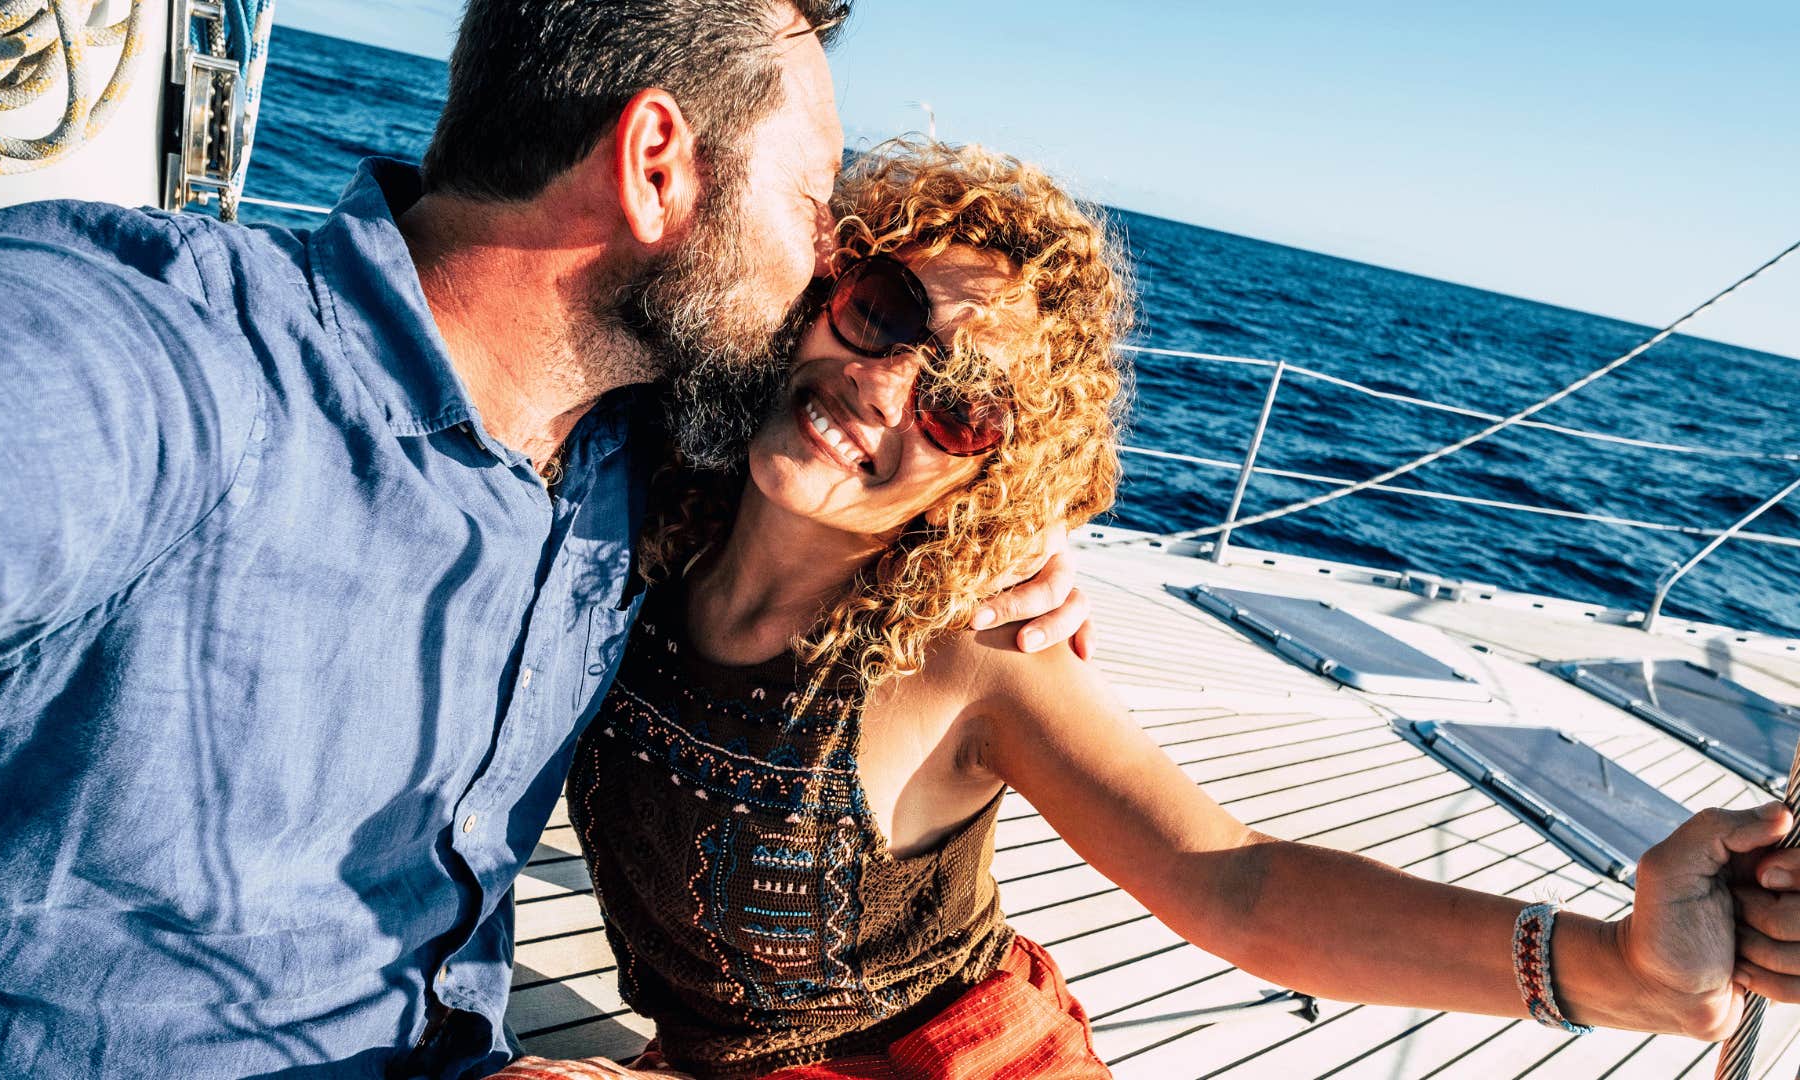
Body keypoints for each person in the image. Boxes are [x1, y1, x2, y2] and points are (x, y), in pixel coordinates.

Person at [0, 5, 1091, 1079]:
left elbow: (870, 440)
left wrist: (1003, 535)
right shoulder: (156, 366)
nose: (832, 262)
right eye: (815, 207)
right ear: (657, 169)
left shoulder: (639, 442)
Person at [496, 140, 1800, 1080]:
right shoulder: (651, 495)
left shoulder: (968, 657)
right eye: (883, 311)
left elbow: (1237, 887)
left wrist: (1618, 969)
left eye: (960, 404)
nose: (886, 386)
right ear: (824, 285)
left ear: (986, 473)